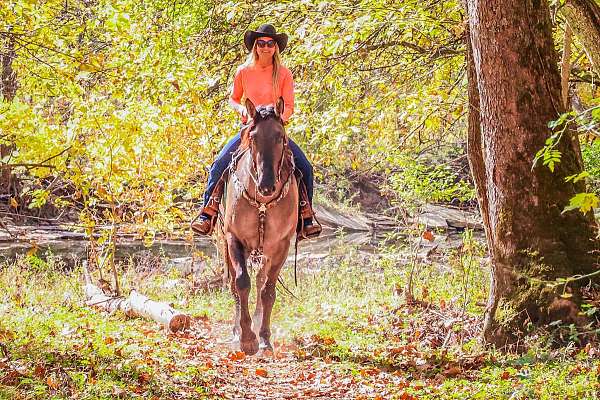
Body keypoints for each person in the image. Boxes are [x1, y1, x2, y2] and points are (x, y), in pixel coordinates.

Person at [191, 23, 322, 240]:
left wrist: (280, 118)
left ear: (276, 47)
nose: (266, 47)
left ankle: (305, 217)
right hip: (251, 128)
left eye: (270, 43)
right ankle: (208, 211)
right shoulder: (243, 71)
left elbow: (289, 105)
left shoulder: (283, 74)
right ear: (255, 46)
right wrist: (242, 109)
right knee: (220, 163)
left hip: (275, 130)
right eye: (261, 43)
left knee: (305, 167)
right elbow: (234, 98)